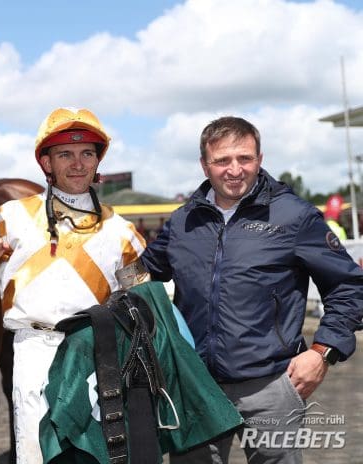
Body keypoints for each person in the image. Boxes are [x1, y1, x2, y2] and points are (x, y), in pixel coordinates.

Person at [140, 116, 363, 463]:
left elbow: (348, 286)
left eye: (244, 158)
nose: (235, 169)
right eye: (222, 160)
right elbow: (139, 276)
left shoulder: (294, 216)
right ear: (204, 165)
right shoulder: (183, 221)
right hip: (195, 387)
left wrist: (323, 351)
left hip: (271, 385)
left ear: (259, 159)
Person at [0, 107, 147, 463]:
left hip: (99, 354)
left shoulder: (123, 231)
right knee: (34, 455)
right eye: (65, 154)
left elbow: (141, 295)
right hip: (34, 350)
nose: (77, 164)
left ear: (97, 162)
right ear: (46, 163)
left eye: (86, 154)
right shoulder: (11, 217)